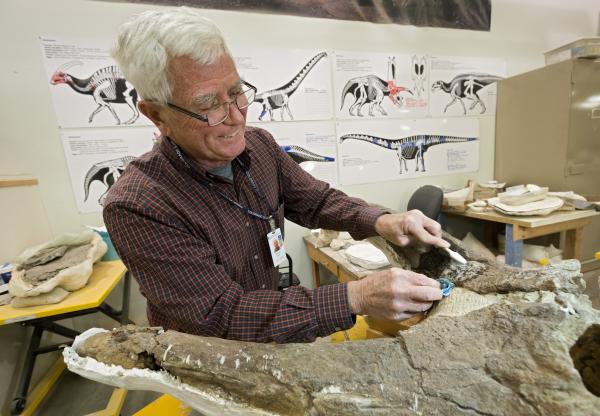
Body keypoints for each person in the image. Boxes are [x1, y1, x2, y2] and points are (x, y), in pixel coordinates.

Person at [104, 7, 450, 343]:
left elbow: (316, 200)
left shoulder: (259, 147)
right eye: (208, 104)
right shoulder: (137, 205)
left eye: (237, 93)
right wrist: (354, 297)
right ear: (156, 116)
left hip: (272, 325)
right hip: (208, 358)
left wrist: (382, 221)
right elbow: (220, 315)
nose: (237, 117)